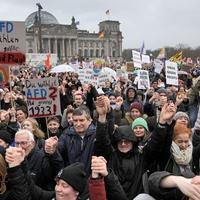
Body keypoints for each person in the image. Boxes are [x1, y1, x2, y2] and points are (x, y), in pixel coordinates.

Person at [94, 95, 176, 199]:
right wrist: (102, 117)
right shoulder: (111, 155)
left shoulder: (142, 156)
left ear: (133, 141)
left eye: (127, 141)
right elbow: (102, 141)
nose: (123, 144)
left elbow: (155, 143)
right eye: (120, 141)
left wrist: (162, 122)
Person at [58, 105, 96, 176]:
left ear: (89, 120)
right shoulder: (66, 135)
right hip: (72, 179)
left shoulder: (96, 135)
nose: (78, 124)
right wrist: (51, 149)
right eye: (75, 121)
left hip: (91, 179)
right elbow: (59, 150)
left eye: (81, 120)